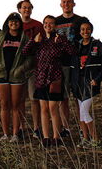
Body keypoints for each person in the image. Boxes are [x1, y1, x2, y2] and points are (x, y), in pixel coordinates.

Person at [24, 15, 76, 147]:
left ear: (55, 25)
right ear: (43, 24)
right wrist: (33, 41)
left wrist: (62, 42)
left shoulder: (60, 39)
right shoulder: (39, 39)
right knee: (43, 108)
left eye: (51, 23)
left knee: (53, 108)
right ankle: (46, 137)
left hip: (55, 77)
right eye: (46, 23)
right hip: (41, 78)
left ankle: (56, 137)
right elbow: (25, 52)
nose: (48, 25)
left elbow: (72, 51)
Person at [0, 13, 33, 142]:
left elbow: (30, 57)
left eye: (16, 21)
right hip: (1, 75)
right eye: (11, 21)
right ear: (7, 23)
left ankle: (15, 134)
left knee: (16, 105)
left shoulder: (24, 38)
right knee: (5, 104)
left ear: (20, 23)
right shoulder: (0, 36)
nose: (14, 24)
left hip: (17, 77)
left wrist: (21, 69)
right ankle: (6, 134)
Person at [71, 21, 102, 148]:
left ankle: (96, 140)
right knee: (81, 114)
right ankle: (86, 139)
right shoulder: (76, 46)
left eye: (88, 29)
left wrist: (98, 79)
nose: (85, 31)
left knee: (84, 110)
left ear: (92, 30)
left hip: (90, 83)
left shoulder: (98, 45)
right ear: (79, 32)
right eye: (82, 29)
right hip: (78, 83)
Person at [55, 0, 90, 137]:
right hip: (61, 63)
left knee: (78, 97)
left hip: (76, 63)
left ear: (74, 4)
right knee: (63, 98)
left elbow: (87, 38)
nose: (66, 4)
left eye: (69, 2)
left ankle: (83, 128)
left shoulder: (80, 20)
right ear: (60, 5)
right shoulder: (56, 21)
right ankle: (66, 128)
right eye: (64, 2)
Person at [17, 0, 44, 139]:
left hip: (34, 67)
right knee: (20, 99)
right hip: (19, 68)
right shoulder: (15, 25)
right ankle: (21, 127)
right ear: (19, 10)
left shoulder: (38, 25)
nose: (26, 10)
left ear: (32, 9)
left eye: (28, 7)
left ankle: (36, 128)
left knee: (34, 99)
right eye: (24, 7)